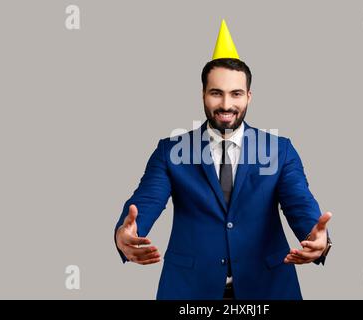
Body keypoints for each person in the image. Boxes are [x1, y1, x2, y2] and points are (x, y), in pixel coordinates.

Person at [114, 20, 332, 300]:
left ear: (249, 97)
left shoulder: (279, 149)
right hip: (190, 291)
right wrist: (125, 234)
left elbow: (300, 203)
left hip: (267, 289)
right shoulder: (171, 151)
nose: (226, 104)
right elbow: (145, 201)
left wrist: (318, 239)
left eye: (236, 94)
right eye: (216, 93)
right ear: (203, 94)